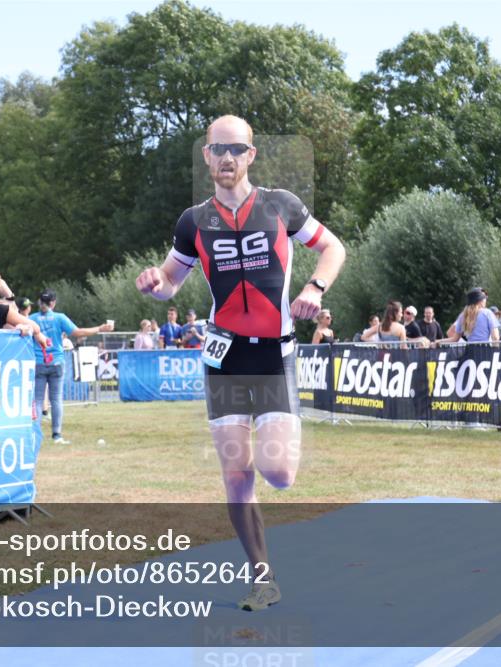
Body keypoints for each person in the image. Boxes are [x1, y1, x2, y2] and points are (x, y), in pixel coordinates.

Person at [135, 115, 345, 611]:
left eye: (236, 149)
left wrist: (315, 288)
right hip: (224, 354)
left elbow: (333, 247)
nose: (226, 158)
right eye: (217, 149)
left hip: (274, 354)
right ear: (206, 156)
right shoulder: (193, 222)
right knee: (235, 475)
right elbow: (170, 281)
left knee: (277, 473)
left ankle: (276, 455)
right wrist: (153, 284)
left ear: (250, 155)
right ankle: (262, 578)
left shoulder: (280, 205)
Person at [30, 290, 114, 444]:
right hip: (57, 362)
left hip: (38, 362)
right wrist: (99, 328)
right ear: (53, 303)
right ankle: (57, 435)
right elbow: (78, 332)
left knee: (37, 399)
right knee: (56, 400)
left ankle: (34, 436)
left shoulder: (32, 319)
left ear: (40, 302)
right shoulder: (59, 318)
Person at [433, 288, 500, 346]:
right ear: (480, 301)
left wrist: (437, 342)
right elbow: (495, 337)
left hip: (469, 351)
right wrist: (496, 351)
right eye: (485, 299)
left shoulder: (463, 315)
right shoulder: (488, 313)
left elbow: (454, 339)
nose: (486, 301)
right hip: (484, 352)